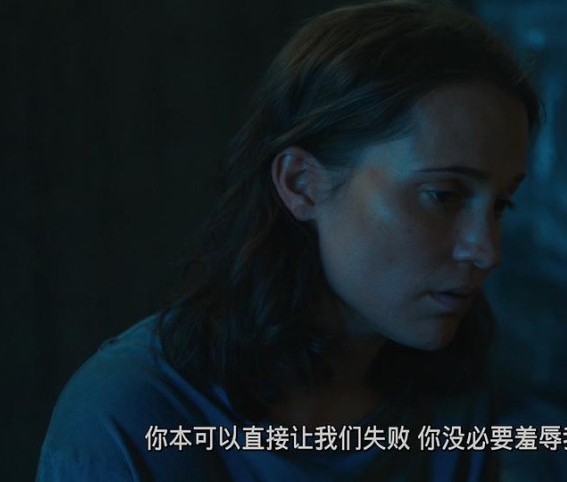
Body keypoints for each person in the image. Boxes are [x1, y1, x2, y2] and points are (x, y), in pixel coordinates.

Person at [36, 1, 540, 480]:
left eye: (501, 204)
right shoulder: (134, 412)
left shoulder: (450, 399)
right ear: (302, 183)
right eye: (443, 195)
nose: (486, 250)